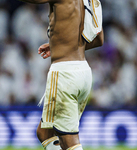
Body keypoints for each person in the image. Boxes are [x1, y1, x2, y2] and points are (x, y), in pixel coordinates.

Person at [19, 0, 104, 150]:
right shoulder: (91, 1)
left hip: (65, 73)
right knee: (45, 133)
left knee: (69, 140)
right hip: (83, 71)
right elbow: (99, 39)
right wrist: (60, 43)